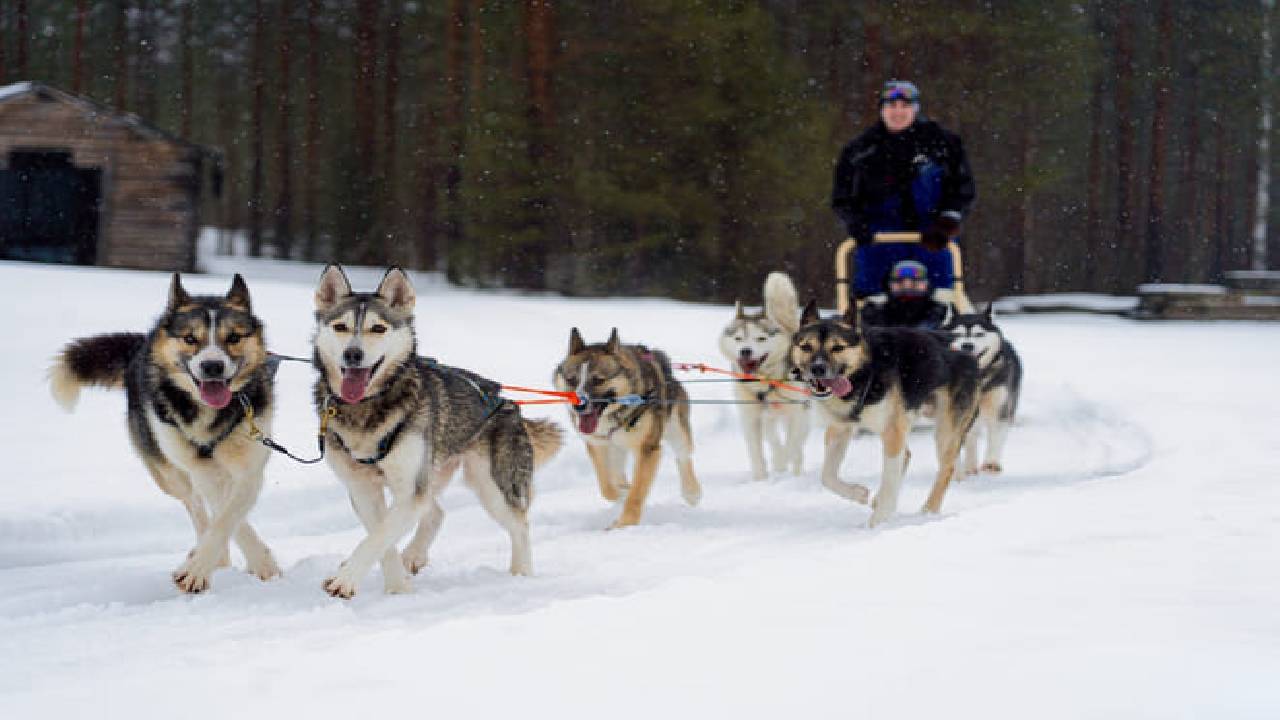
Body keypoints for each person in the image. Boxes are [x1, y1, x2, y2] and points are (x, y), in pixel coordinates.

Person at [831, 80, 976, 301]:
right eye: (891, 105)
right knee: (873, 298)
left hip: (932, 234)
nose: (898, 112)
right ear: (882, 109)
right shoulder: (860, 150)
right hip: (879, 236)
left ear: (915, 109)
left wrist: (948, 220)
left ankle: (941, 318)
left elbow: (962, 188)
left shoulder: (943, 143)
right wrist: (856, 223)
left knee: (941, 297)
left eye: (905, 105)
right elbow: (842, 197)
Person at [860, 259, 949, 329]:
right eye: (899, 281)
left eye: (915, 281)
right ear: (889, 285)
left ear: (927, 284)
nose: (907, 287)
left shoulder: (944, 312)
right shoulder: (875, 311)